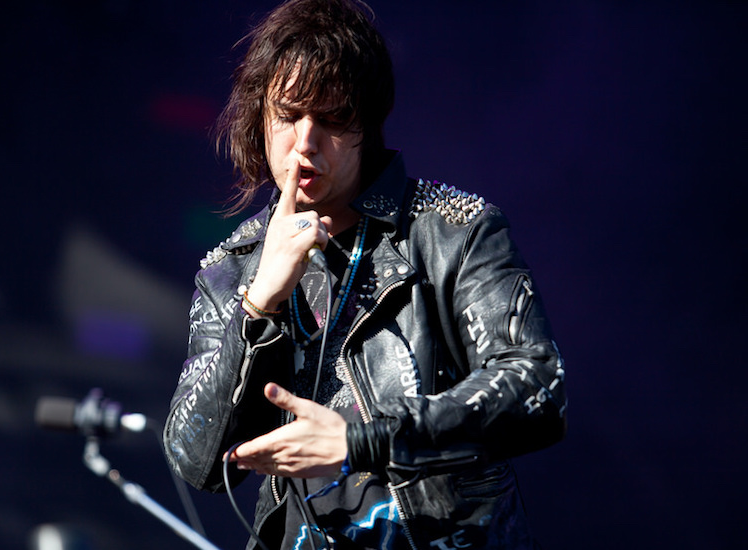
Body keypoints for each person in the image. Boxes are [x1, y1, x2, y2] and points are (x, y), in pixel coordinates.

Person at [163, 0, 567, 548]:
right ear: (260, 116)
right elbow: (196, 462)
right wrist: (257, 305)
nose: (305, 142)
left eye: (331, 119)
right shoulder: (230, 270)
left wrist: (364, 441)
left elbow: (537, 385)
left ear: (366, 124)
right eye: (288, 115)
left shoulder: (455, 232)